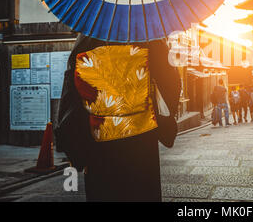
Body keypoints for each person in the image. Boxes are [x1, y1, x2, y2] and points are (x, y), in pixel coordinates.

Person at [56, 34, 180, 202]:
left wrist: (75, 145)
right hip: (141, 138)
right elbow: (170, 82)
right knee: (141, 192)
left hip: (100, 139)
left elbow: (71, 91)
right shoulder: (148, 35)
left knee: (104, 192)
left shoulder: (88, 36)